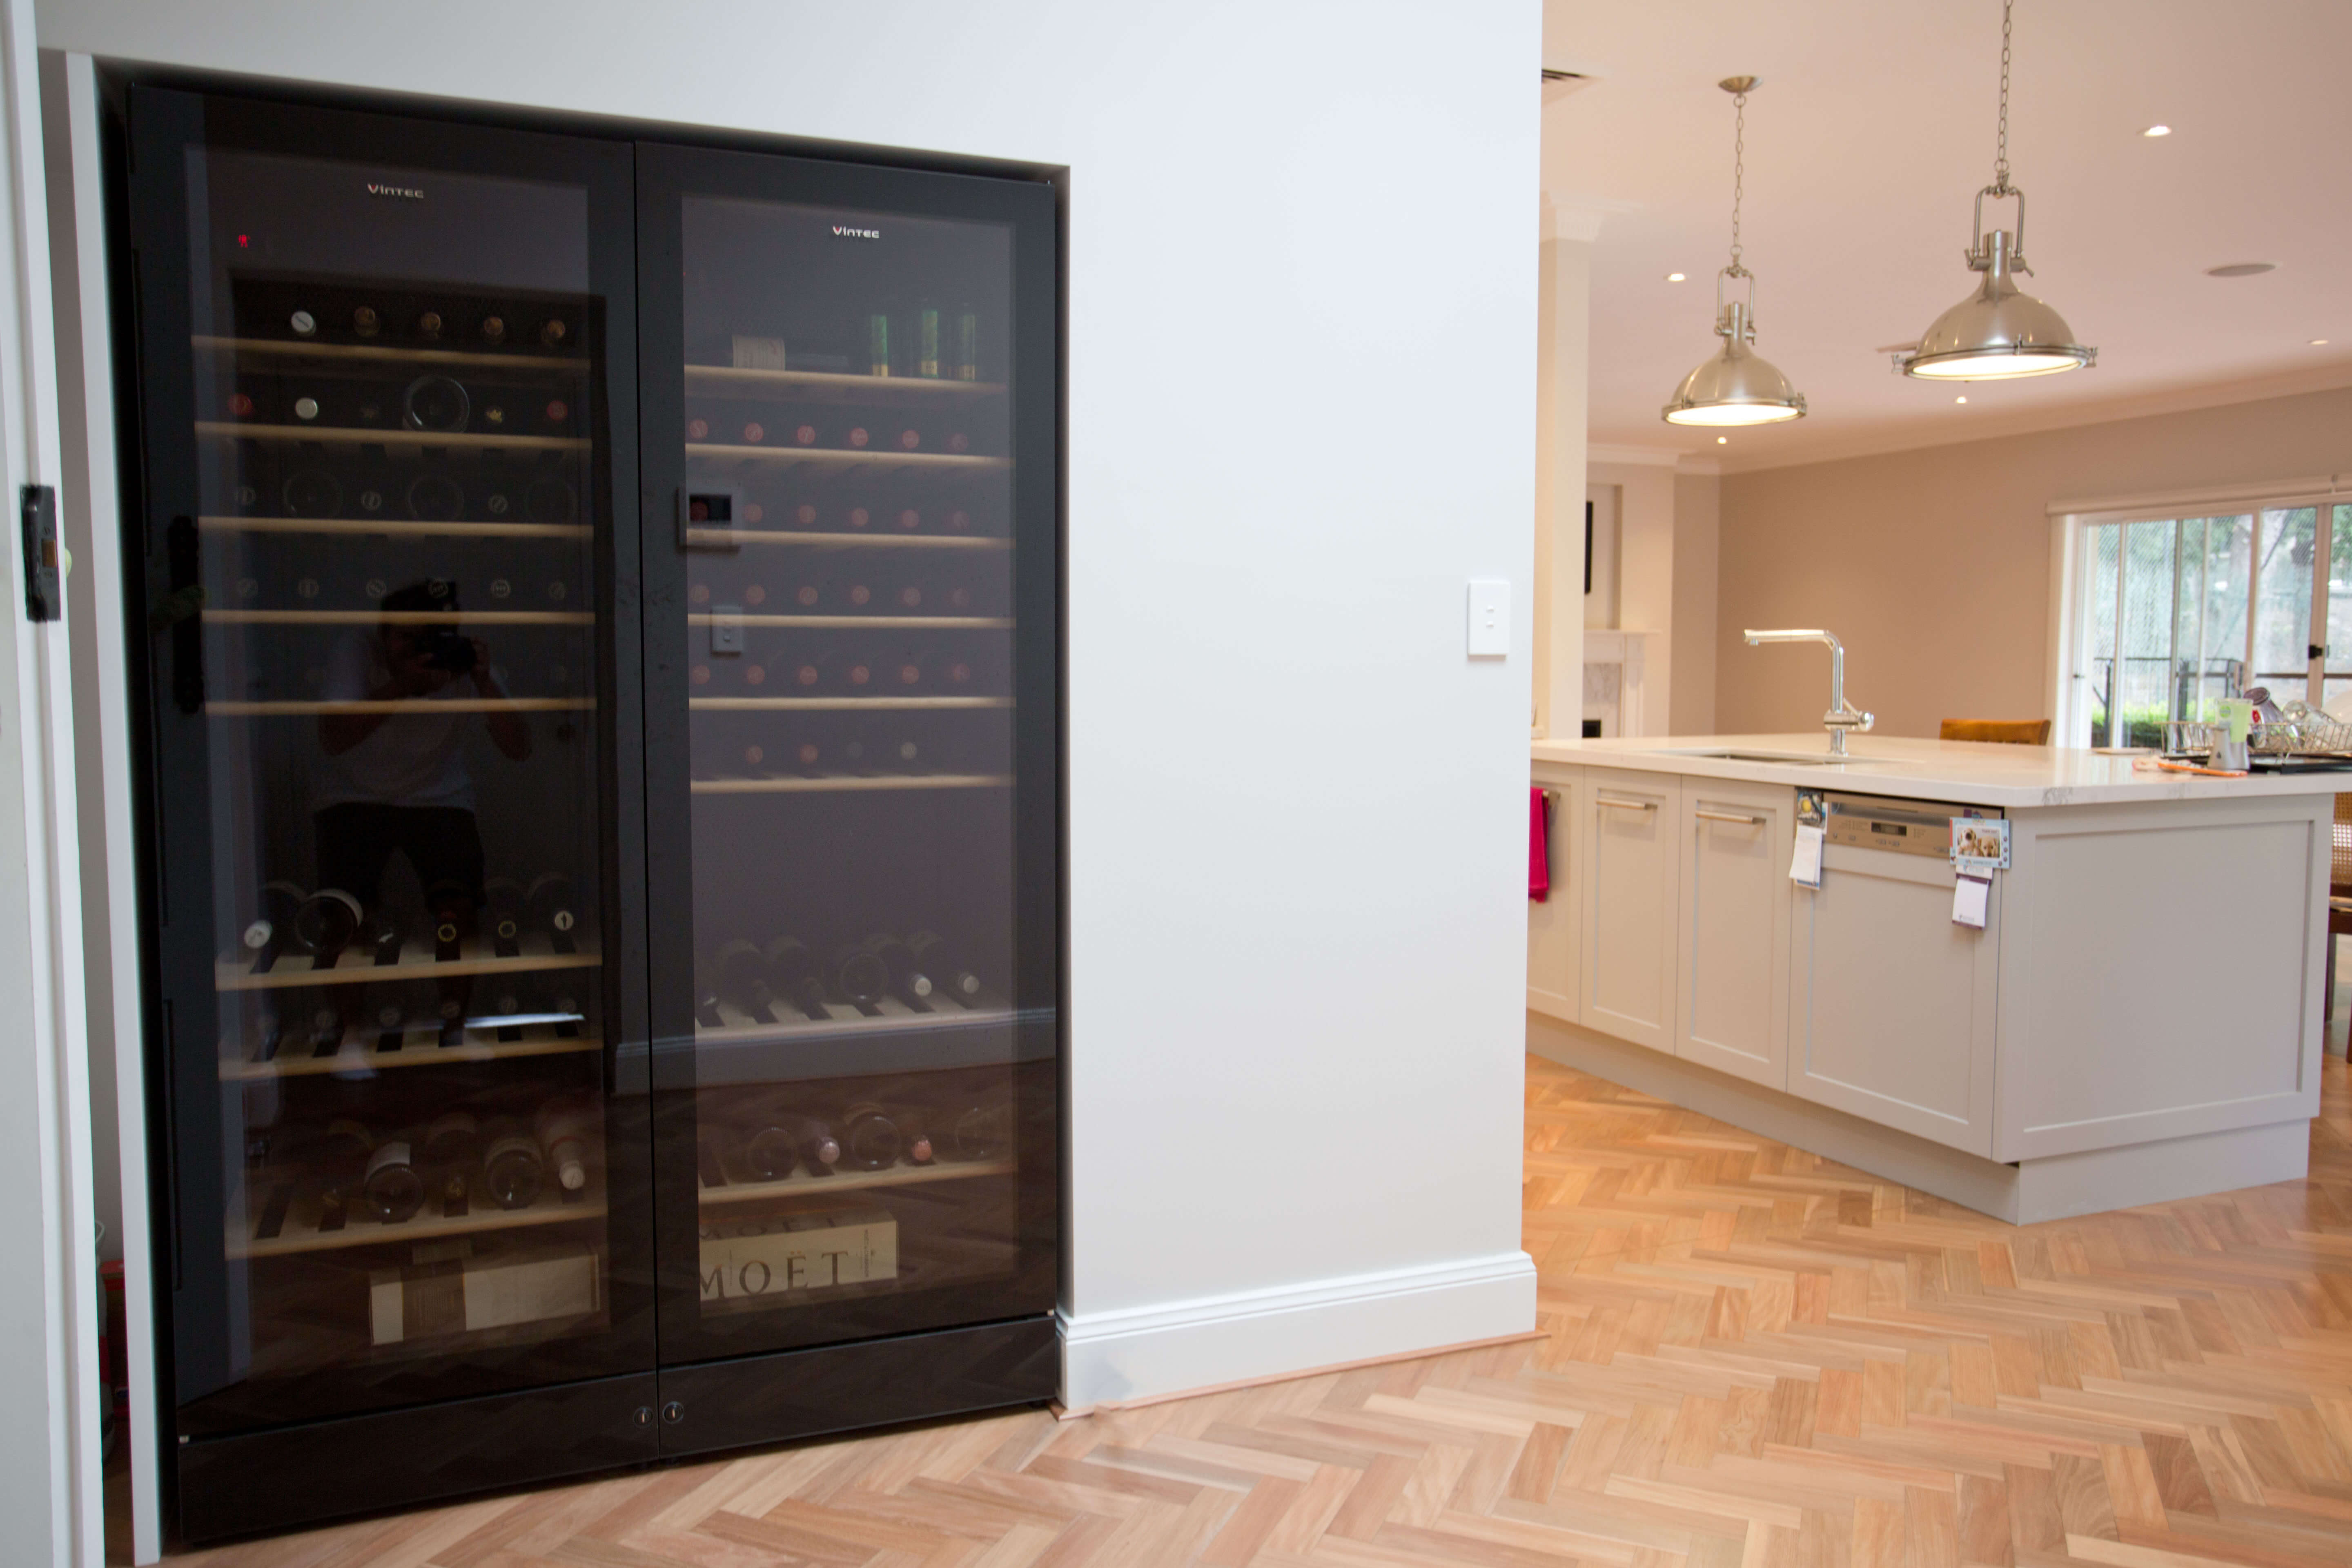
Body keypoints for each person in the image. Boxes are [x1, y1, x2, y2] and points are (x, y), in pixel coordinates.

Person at [312, 578, 530, 942]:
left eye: (430, 638)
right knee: (344, 917)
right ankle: (350, 989)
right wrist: (403, 687)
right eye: (407, 638)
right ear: (382, 636)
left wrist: (484, 682)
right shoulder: (358, 649)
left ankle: (455, 997)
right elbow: (333, 739)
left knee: (459, 910)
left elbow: (520, 748)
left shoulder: (458, 658)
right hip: (352, 793)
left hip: (438, 793)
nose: (419, 650)